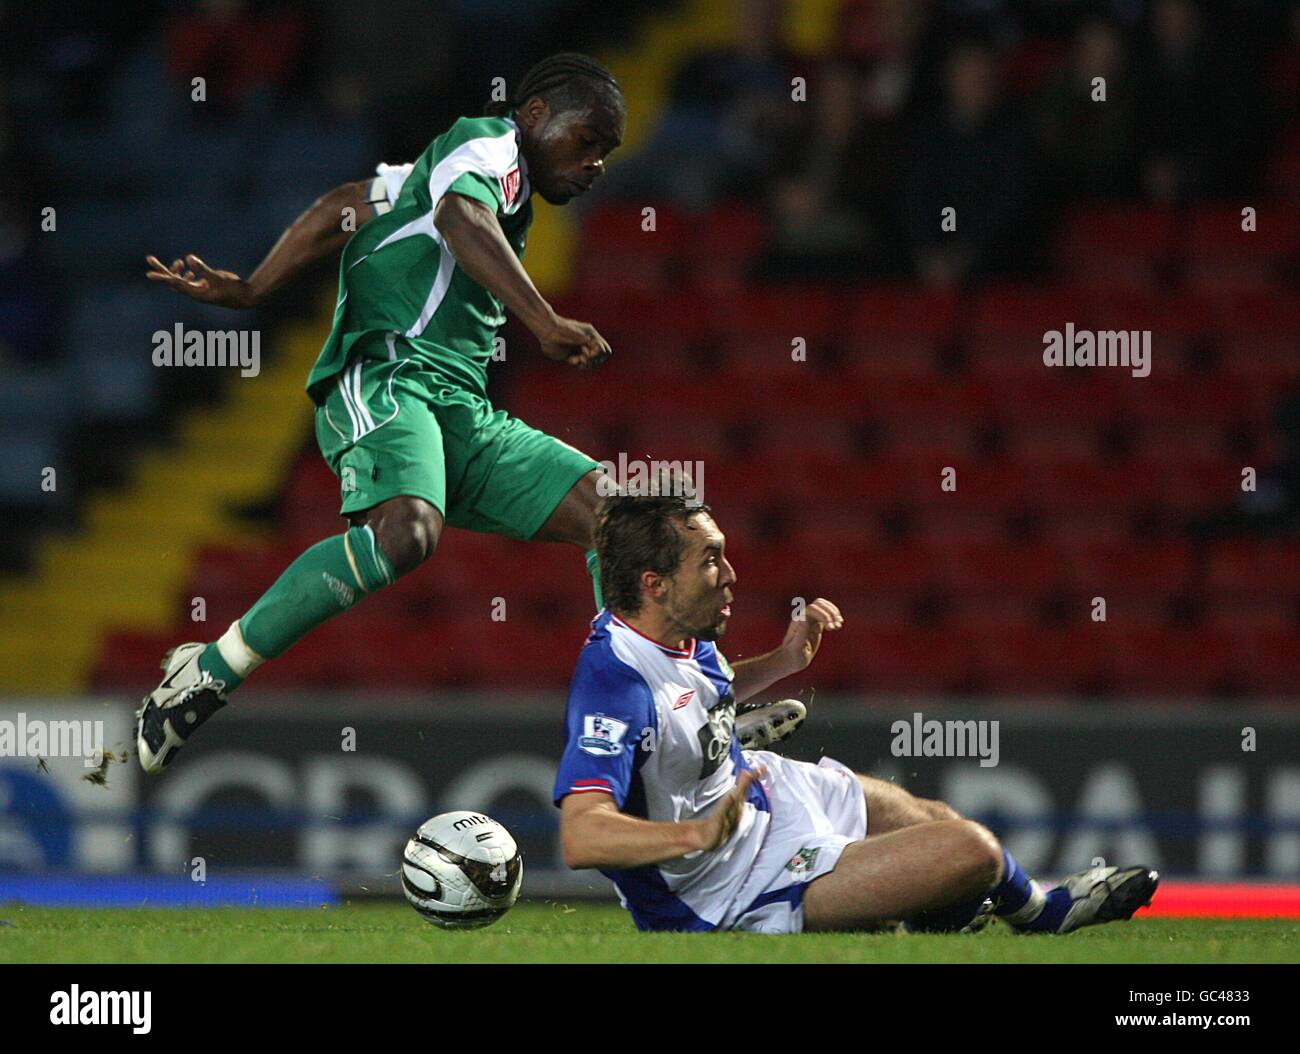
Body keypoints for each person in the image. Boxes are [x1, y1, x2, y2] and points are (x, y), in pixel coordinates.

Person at [554, 493, 1159, 933]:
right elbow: (582, 834)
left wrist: (783, 662)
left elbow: (695, 690)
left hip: (765, 799)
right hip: (720, 881)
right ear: (654, 583)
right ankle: (1041, 918)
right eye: (710, 560)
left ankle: (932, 921)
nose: (731, 576)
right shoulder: (614, 683)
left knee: (927, 816)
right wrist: (696, 833)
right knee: (970, 851)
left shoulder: (680, 627)